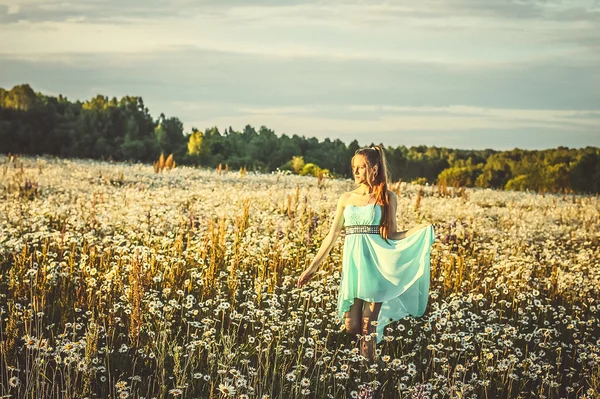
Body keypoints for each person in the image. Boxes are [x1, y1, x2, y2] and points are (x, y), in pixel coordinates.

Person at [297, 145, 435, 363]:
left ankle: (368, 374)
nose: (356, 172)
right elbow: (332, 235)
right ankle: (361, 363)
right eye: (354, 167)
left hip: (376, 266)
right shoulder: (346, 198)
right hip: (353, 267)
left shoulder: (387, 197)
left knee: (367, 326)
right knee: (351, 325)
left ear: (374, 168)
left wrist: (420, 230)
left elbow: (392, 234)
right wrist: (312, 267)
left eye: (361, 167)